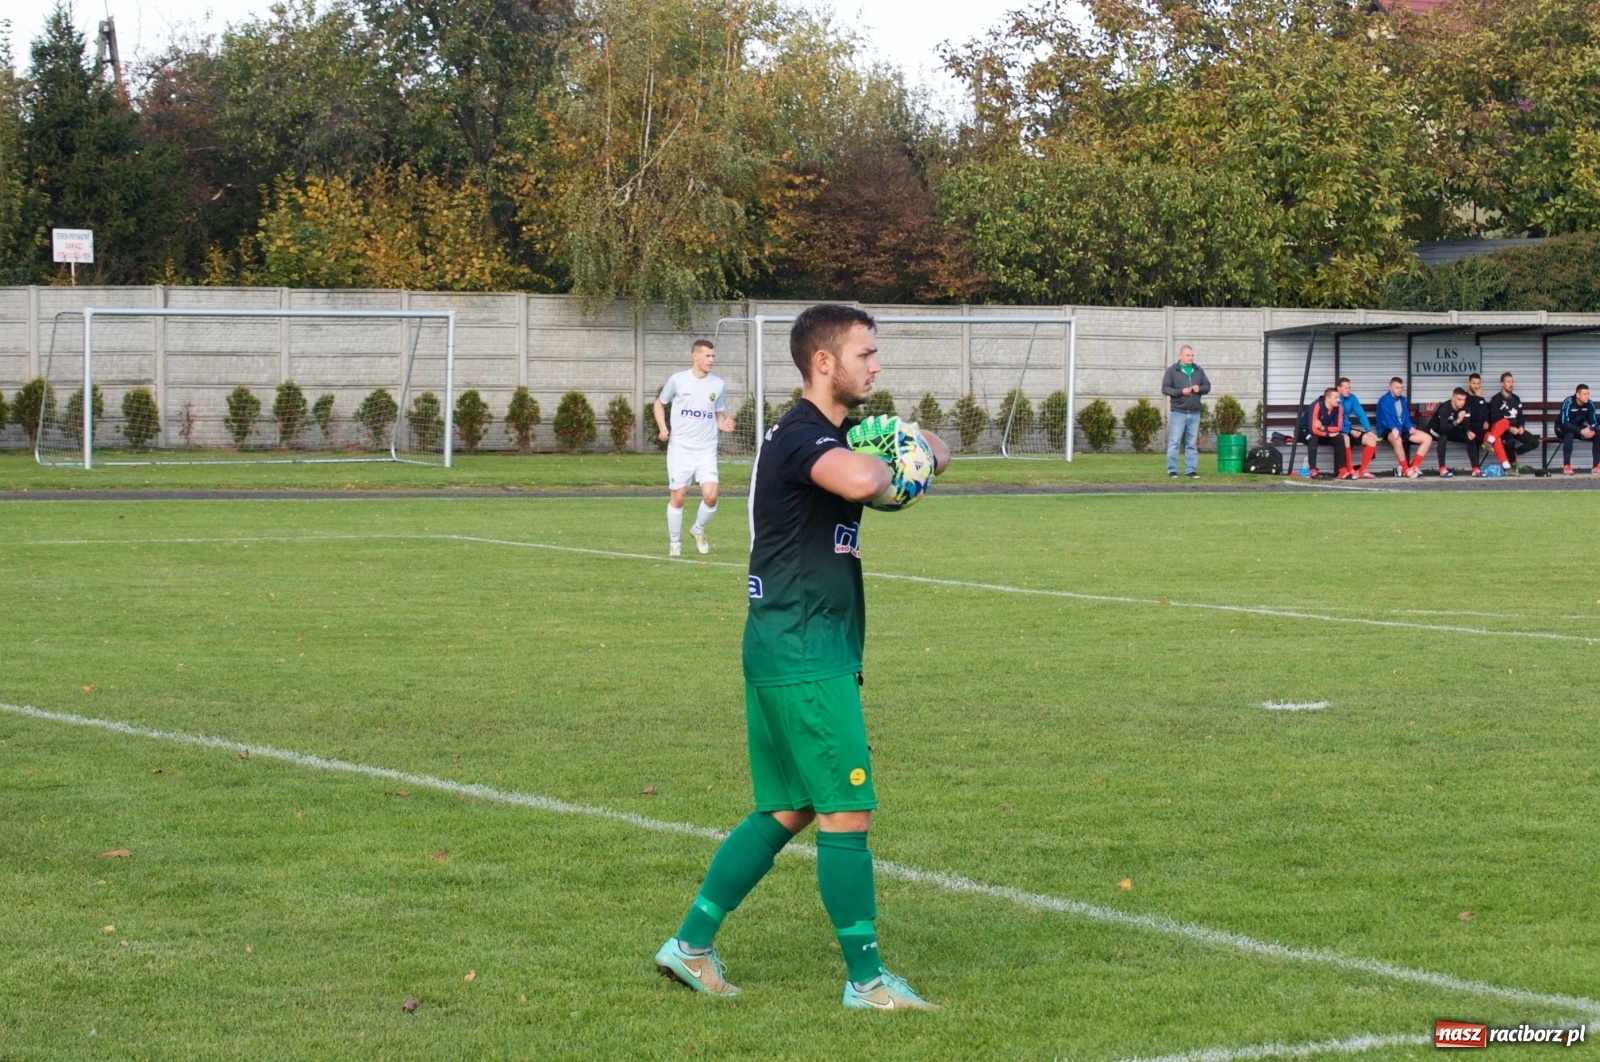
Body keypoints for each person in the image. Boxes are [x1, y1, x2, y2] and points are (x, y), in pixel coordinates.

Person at [654, 304, 951, 1010]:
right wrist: (895, 461)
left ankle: (689, 947)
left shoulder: (830, 434)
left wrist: (910, 448)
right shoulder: (798, 436)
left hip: (794, 643)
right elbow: (862, 484)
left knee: (788, 807)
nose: (875, 365)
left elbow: (934, 450)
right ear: (825, 361)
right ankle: (868, 982)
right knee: (847, 808)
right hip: (803, 645)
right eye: (864, 354)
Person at [654, 339, 735, 555]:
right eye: (707, 356)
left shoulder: (718, 385)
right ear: (695, 356)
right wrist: (663, 428)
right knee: (678, 497)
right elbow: (659, 404)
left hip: (706, 450)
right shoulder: (678, 380)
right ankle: (675, 543)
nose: (711, 360)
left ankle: (697, 529)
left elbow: (717, 415)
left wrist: (724, 425)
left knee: (711, 495)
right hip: (680, 449)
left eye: (713, 356)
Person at [1161, 344, 1211, 478]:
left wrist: (1199, 389)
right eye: (1188, 355)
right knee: (1174, 442)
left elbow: (1207, 386)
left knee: (1191, 443)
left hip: (1194, 413)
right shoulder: (1172, 370)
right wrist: (1180, 392)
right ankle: (1172, 470)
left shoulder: (1198, 370)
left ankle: (1191, 470)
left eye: (1192, 355)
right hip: (1178, 412)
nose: (1191, 358)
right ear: (1180, 356)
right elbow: (1165, 389)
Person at [1374, 377, 1432, 478]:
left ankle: (1414, 467)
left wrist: (1410, 427)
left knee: (1428, 438)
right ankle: (1405, 469)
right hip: (1387, 429)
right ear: (1390, 387)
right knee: (1397, 439)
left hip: (1402, 428)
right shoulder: (1384, 401)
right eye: (1397, 387)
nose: (1400, 390)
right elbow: (1386, 418)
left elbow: (1406, 416)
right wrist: (1393, 428)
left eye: (1401, 387)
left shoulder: (1402, 400)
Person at [1484, 372, 1538, 472]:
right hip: (1504, 429)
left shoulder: (1516, 399)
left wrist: (1521, 426)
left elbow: (1520, 416)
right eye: (1508, 382)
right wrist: (1509, 428)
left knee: (1534, 442)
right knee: (1510, 442)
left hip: (1516, 428)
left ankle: (1512, 454)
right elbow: (1494, 419)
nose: (1511, 384)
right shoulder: (1496, 399)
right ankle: (1513, 463)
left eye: (1512, 382)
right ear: (1502, 384)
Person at [1296, 387, 1348, 477]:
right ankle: (1312, 469)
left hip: (1321, 432)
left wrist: (1323, 428)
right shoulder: (1317, 405)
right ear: (1328, 398)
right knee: (1313, 437)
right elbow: (1313, 429)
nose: (1338, 400)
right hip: (1304, 432)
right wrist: (1328, 434)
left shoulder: (1338, 407)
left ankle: (1341, 470)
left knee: (1339, 438)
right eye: (1336, 397)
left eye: (1338, 397)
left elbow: (1338, 427)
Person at [1427, 388, 1479, 477]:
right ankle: (1442, 469)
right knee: (1443, 437)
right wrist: (1458, 420)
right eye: (1459, 399)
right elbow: (1443, 429)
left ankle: (1475, 469)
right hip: (1435, 430)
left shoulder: (1466, 407)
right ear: (1453, 398)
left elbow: (1466, 423)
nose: (1462, 402)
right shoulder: (1445, 408)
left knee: (1469, 437)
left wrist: (1468, 431)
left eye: (1464, 400)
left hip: (1450, 429)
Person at [1335, 377, 1379, 478]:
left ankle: (1362, 470)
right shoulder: (1334, 399)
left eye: (1349, 388)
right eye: (1346, 388)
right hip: (1338, 431)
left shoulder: (1352, 398)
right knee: (1345, 439)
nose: (1348, 390)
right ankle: (1350, 470)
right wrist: (1349, 431)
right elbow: (1335, 422)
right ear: (1338, 388)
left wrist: (1368, 430)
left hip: (1349, 430)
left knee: (1371, 440)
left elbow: (1361, 414)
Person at [1555, 384, 1600, 474]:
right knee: (1569, 433)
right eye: (1585, 394)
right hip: (1562, 428)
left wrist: (1590, 429)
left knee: (1598, 434)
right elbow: (1565, 423)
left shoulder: (1590, 404)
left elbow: (1594, 421)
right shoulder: (1568, 402)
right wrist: (1581, 431)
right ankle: (1567, 466)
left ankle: (1596, 466)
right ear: (1577, 395)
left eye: (1588, 394)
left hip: (1579, 428)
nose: (1587, 396)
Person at [1464, 374, 1494, 475]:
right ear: (1469, 383)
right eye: (1473, 383)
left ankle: (1506, 465)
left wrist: (1486, 422)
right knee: (1472, 436)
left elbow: (1485, 414)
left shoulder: (1481, 399)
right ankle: (1476, 468)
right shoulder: (1464, 398)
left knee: (1495, 437)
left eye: (1478, 384)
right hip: (1468, 427)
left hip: (1480, 428)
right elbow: (1470, 415)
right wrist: (1477, 397)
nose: (1476, 386)